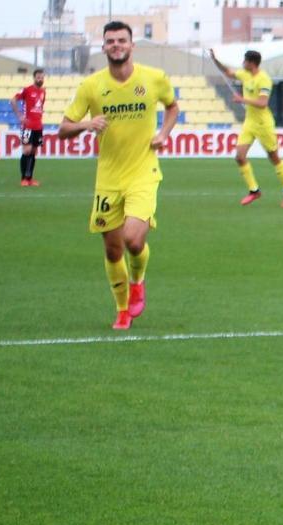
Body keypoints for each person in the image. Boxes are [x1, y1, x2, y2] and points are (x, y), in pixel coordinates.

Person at [58, 21, 179, 330]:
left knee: (133, 239)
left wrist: (164, 132)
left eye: (121, 40)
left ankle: (138, 281)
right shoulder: (91, 86)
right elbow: (63, 129)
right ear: (104, 47)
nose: (116, 45)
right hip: (108, 177)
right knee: (113, 249)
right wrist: (87, 125)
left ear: (131, 45)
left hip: (143, 171)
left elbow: (172, 107)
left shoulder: (154, 79)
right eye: (110, 41)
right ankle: (122, 310)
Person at [208, 48, 283, 207]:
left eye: (245, 61)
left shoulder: (264, 79)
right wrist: (215, 60)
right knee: (239, 156)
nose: (242, 63)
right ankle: (254, 190)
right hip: (250, 122)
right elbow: (228, 72)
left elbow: (263, 103)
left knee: (274, 158)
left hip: (263, 124)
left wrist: (242, 99)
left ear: (252, 63)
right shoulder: (244, 74)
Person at [11, 68, 46, 187]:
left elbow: (40, 107)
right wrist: (19, 115)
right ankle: (23, 179)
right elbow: (13, 100)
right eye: (38, 77)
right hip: (27, 126)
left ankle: (30, 178)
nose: (40, 79)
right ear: (34, 78)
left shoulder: (43, 92)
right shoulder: (27, 90)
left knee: (34, 151)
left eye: (42, 77)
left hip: (38, 126)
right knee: (26, 150)